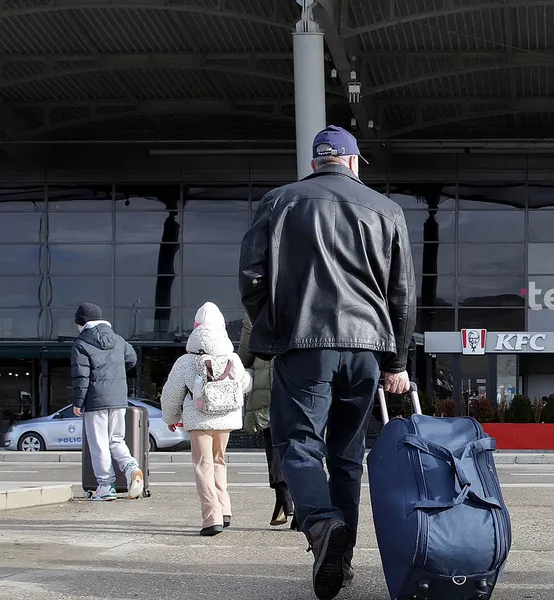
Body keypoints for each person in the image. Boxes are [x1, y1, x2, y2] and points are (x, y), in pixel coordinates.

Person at [239, 125, 416, 600]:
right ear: (354, 162)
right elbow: (402, 295)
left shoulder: (280, 202)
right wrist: (397, 361)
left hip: (304, 344)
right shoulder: (387, 210)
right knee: (346, 456)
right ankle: (344, 559)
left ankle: (321, 527)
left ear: (316, 162)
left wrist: (272, 327)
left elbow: (252, 277)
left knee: (298, 443)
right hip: (366, 348)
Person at [160, 303, 251, 536]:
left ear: (195, 329)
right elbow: (245, 384)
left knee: (203, 466)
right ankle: (225, 509)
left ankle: (212, 518)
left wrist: (171, 417)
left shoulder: (186, 361)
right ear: (221, 328)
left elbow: (171, 393)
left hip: (199, 420)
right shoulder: (232, 358)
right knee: (219, 461)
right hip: (226, 420)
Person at [70, 302, 143, 502]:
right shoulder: (118, 340)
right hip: (119, 398)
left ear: (82, 322)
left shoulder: (81, 343)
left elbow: (81, 377)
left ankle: (105, 487)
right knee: (116, 440)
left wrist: (77, 403)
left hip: (95, 401)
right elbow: (132, 358)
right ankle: (131, 468)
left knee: (99, 444)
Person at [238, 309, 296, 529]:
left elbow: (248, 339)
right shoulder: (306, 286)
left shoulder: (259, 296)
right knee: (303, 440)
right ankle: (301, 507)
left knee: (274, 441)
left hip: (267, 373)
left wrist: (242, 362)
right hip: (298, 372)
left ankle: (283, 498)